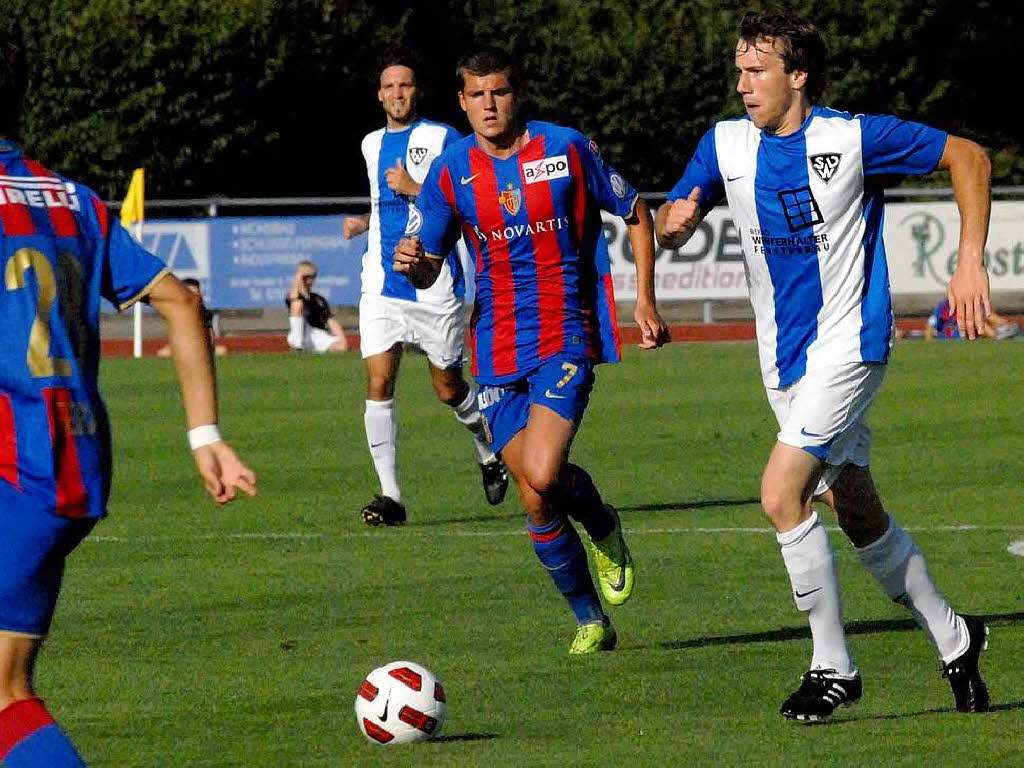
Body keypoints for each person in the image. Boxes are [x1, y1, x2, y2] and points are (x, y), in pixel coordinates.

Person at [655, 10, 991, 719]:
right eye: (739, 70)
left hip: (850, 345)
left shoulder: (854, 136)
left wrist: (967, 263)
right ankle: (957, 637)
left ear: (797, 75)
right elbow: (673, 215)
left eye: (757, 71)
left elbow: (971, 156)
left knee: (781, 494)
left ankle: (832, 665)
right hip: (783, 362)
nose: (742, 84)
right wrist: (673, 226)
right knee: (857, 510)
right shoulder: (724, 145)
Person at [0, 31, 256, 766]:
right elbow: (179, 302)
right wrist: (204, 434)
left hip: (12, 462)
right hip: (70, 463)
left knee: (5, 695)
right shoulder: (72, 199)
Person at [394, 48, 670, 654]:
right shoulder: (449, 171)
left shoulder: (565, 148)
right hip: (493, 349)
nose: (488, 105)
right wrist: (415, 264)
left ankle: (601, 522)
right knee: (535, 498)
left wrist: (643, 301)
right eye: (476, 95)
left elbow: (636, 211)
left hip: (565, 333)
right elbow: (429, 264)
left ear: (517, 94)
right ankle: (590, 621)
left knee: (544, 471)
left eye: (499, 92)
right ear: (462, 103)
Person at [342, 50, 508, 526]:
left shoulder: (442, 137)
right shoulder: (370, 144)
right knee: (378, 382)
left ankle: (487, 449)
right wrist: (367, 222)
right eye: (389, 86)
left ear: (417, 92)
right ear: (380, 95)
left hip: (435, 285)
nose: (397, 93)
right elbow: (387, 207)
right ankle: (390, 497)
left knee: (448, 388)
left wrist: (417, 187)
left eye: (406, 86)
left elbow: (469, 191)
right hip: (381, 281)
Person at [285, 260, 348, 353]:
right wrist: (298, 278)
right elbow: (294, 297)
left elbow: (331, 320)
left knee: (340, 347)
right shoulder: (295, 297)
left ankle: (309, 349)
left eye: (312, 277)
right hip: (302, 333)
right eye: (305, 277)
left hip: (317, 335)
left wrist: (343, 341)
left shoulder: (318, 299)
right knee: (297, 304)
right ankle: (298, 346)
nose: (309, 280)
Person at [157, 277, 227, 356]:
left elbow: (210, 339)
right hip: (181, 349)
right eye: (189, 294)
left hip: (201, 349)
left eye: (195, 294)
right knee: (164, 353)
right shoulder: (175, 315)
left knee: (221, 351)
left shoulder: (205, 314)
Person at [925, 297, 1019, 340]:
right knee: (975, 319)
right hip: (954, 335)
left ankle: (1007, 328)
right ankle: (996, 335)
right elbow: (930, 327)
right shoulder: (944, 306)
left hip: (969, 331)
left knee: (985, 313)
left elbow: (990, 316)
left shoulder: (973, 301)